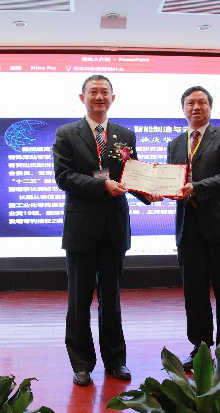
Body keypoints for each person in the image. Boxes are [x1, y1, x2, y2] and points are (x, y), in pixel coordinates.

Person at [53, 75, 152, 386]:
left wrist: (149, 192)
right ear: (82, 98)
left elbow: (131, 174)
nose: (99, 96)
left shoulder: (125, 134)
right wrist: (102, 185)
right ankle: (81, 363)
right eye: (93, 92)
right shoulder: (66, 133)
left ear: (113, 98)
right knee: (79, 301)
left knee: (112, 300)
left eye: (104, 92)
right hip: (81, 228)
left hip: (114, 228)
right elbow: (64, 177)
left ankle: (116, 360)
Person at [167, 86, 220, 371]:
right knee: (194, 293)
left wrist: (195, 188)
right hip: (188, 228)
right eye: (190, 103)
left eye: (201, 102)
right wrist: (157, 188)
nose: (196, 107)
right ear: (183, 109)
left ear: (210, 107)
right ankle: (199, 349)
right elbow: (171, 180)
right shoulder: (175, 143)